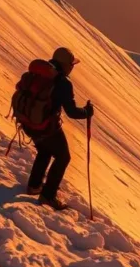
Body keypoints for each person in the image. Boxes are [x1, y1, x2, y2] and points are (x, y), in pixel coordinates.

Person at [26, 47, 94, 210]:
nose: (72, 67)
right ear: (66, 65)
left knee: (45, 150)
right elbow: (72, 112)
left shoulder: (41, 73)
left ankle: (34, 186)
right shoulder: (62, 82)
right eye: (71, 64)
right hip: (46, 126)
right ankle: (48, 196)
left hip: (29, 122)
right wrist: (87, 111)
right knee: (63, 157)